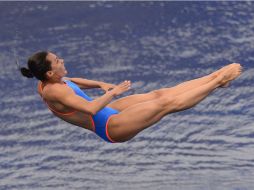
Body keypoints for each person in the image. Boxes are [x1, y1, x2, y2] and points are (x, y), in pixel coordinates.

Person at [20, 51, 242, 143]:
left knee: (159, 94)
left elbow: (73, 82)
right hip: (110, 127)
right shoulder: (53, 90)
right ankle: (218, 81)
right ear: (50, 72)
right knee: (165, 104)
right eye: (57, 61)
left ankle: (213, 76)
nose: (61, 60)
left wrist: (99, 84)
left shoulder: (50, 80)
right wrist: (114, 92)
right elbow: (90, 110)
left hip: (110, 113)